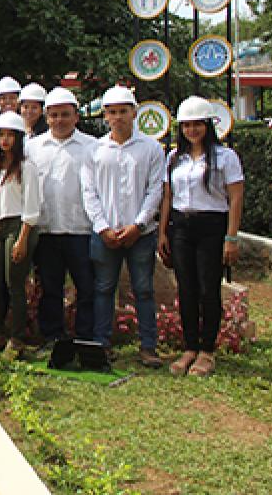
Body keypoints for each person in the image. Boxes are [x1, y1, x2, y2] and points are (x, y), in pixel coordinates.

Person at [158, 97, 245, 377]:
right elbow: (168, 197)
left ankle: (207, 351)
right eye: (187, 125)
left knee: (209, 289)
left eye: (198, 124)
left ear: (208, 125)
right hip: (181, 226)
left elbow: (236, 197)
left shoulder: (225, 157)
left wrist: (231, 238)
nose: (192, 130)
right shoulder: (174, 158)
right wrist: (163, 232)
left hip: (212, 226)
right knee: (186, 289)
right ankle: (190, 347)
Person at [81, 85, 166, 368]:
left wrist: (138, 225)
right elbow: (89, 192)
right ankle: (102, 345)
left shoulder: (151, 148)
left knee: (143, 290)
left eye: (123, 112)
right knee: (103, 289)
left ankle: (148, 346)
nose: (118, 117)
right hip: (105, 234)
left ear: (134, 113)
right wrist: (103, 227)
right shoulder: (95, 150)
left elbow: (156, 190)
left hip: (140, 234)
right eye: (112, 112)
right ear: (105, 116)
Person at [25, 88, 97, 346]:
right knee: (50, 289)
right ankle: (53, 337)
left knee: (86, 288)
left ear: (76, 116)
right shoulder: (32, 148)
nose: (59, 120)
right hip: (47, 230)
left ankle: (86, 339)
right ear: (47, 116)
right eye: (54, 115)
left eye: (65, 115)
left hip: (81, 229)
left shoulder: (92, 146)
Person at [0, 111, 41, 359]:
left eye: (10, 135)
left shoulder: (27, 167)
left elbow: (32, 207)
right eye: (1, 135)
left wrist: (22, 239)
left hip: (18, 225)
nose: (5, 140)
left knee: (14, 282)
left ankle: (16, 338)